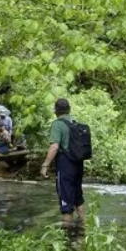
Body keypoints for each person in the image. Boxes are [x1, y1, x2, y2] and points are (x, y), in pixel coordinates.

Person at [41, 98, 85, 229]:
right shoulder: (75, 122)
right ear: (69, 109)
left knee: (66, 201)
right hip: (79, 164)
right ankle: (84, 230)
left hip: (66, 165)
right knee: (78, 198)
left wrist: (45, 165)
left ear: (56, 111)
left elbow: (54, 146)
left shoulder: (57, 124)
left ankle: (67, 236)